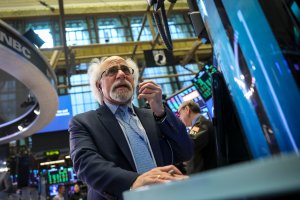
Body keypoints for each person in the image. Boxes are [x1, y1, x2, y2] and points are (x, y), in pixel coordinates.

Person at [69, 56, 193, 200]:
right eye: (111, 71)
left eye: (126, 71)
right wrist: (133, 181)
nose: (121, 74)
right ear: (99, 85)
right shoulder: (84, 122)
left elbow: (186, 151)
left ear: (133, 81)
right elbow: (86, 164)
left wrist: (161, 111)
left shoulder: (154, 115)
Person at [178, 100, 217, 174]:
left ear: (187, 109)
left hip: (206, 176)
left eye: (179, 114)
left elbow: (190, 144)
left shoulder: (200, 124)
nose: (180, 118)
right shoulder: (199, 124)